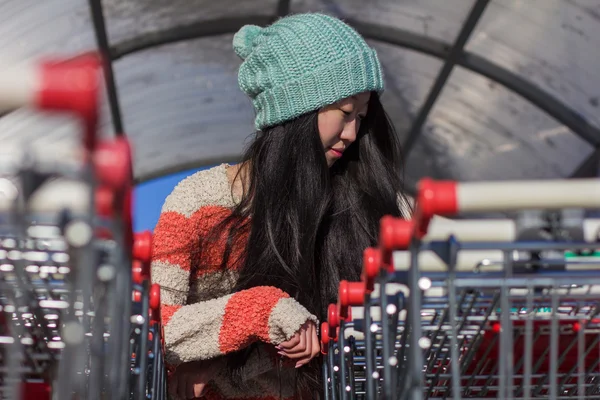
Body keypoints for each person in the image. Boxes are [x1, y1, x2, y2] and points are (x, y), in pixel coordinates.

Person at [151, 12, 412, 400]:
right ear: (294, 110)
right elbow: (157, 328)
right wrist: (262, 310)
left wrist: (220, 353)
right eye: (343, 111)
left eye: (362, 115)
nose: (354, 132)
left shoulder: (382, 211)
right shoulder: (197, 203)